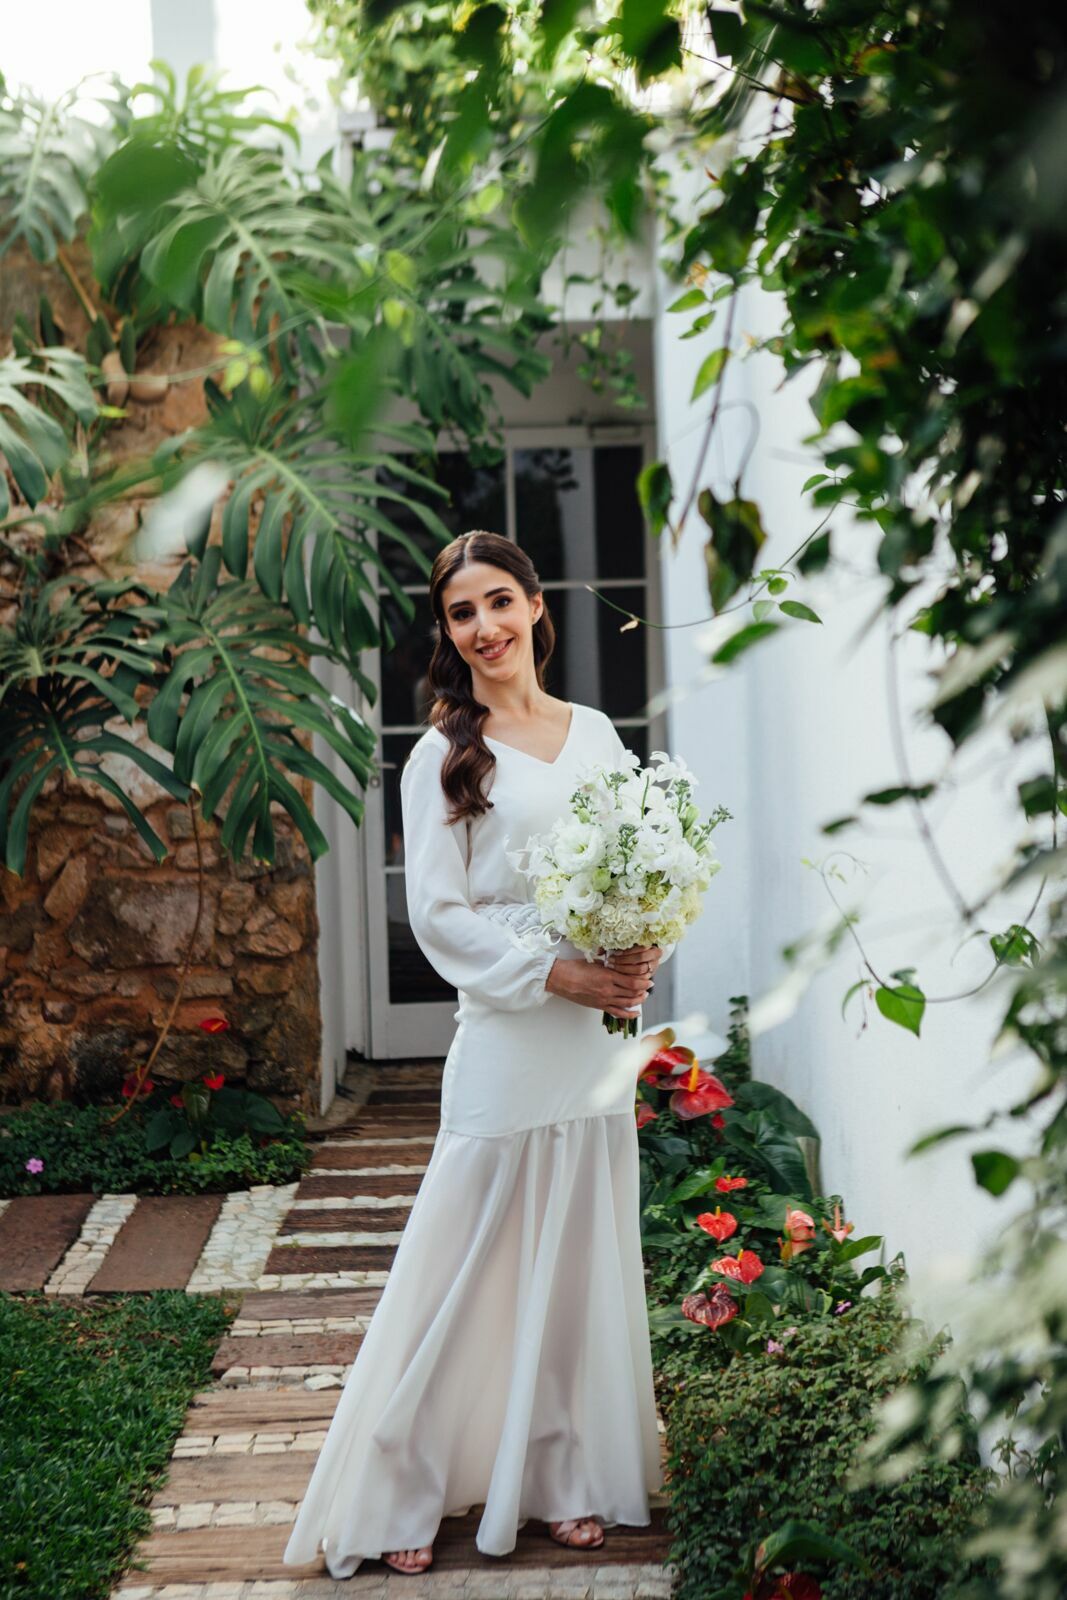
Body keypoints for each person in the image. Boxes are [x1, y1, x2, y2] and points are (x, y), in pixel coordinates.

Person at [283, 529, 671, 1579]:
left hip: (594, 1042)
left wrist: (640, 946)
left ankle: (558, 1476)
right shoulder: (441, 754)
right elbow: (440, 920)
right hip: (509, 1034)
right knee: (465, 1262)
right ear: (448, 632)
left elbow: (650, 863)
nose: (485, 627)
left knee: (572, 1266)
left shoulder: (596, 734)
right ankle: (401, 1482)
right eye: (462, 613)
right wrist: (559, 975)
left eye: (499, 601)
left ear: (538, 606)